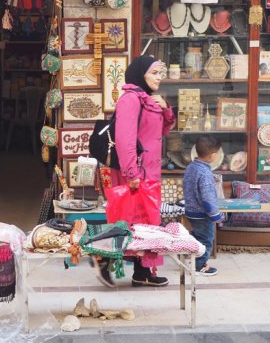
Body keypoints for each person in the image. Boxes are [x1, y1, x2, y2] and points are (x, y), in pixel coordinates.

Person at [93, 55, 175, 288]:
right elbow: (124, 139)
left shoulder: (148, 99)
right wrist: (132, 174)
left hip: (149, 172)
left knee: (145, 223)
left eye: (160, 73)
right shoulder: (130, 99)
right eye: (154, 73)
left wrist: (165, 109)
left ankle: (142, 272)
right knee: (126, 220)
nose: (159, 78)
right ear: (140, 74)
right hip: (135, 172)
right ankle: (103, 258)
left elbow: (161, 131)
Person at [183, 135, 222, 276]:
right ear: (213, 155)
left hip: (191, 210)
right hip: (202, 213)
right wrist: (215, 215)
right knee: (206, 239)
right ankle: (199, 266)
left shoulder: (191, 167)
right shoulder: (205, 172)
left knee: (197, 237)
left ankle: (192, 260)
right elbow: (207, 197)